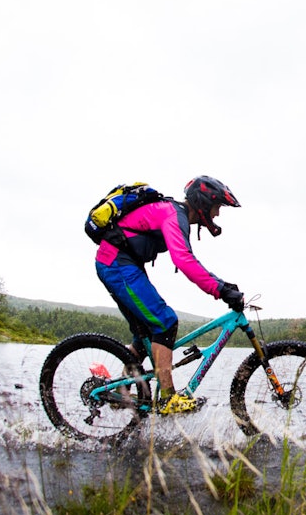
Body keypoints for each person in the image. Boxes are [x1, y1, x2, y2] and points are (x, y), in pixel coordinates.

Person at [95, 175, 245, 414]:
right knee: (165, 321)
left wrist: (221, 285)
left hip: (119, 263)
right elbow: (183, 260)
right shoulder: (173, 215)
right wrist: (221, 289)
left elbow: (185, 258)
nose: (217, 214)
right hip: (116, 263)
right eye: (217, 207)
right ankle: (168, 399)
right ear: (204, 203)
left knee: (145, 334)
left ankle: (120, 392)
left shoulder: (174, 213)